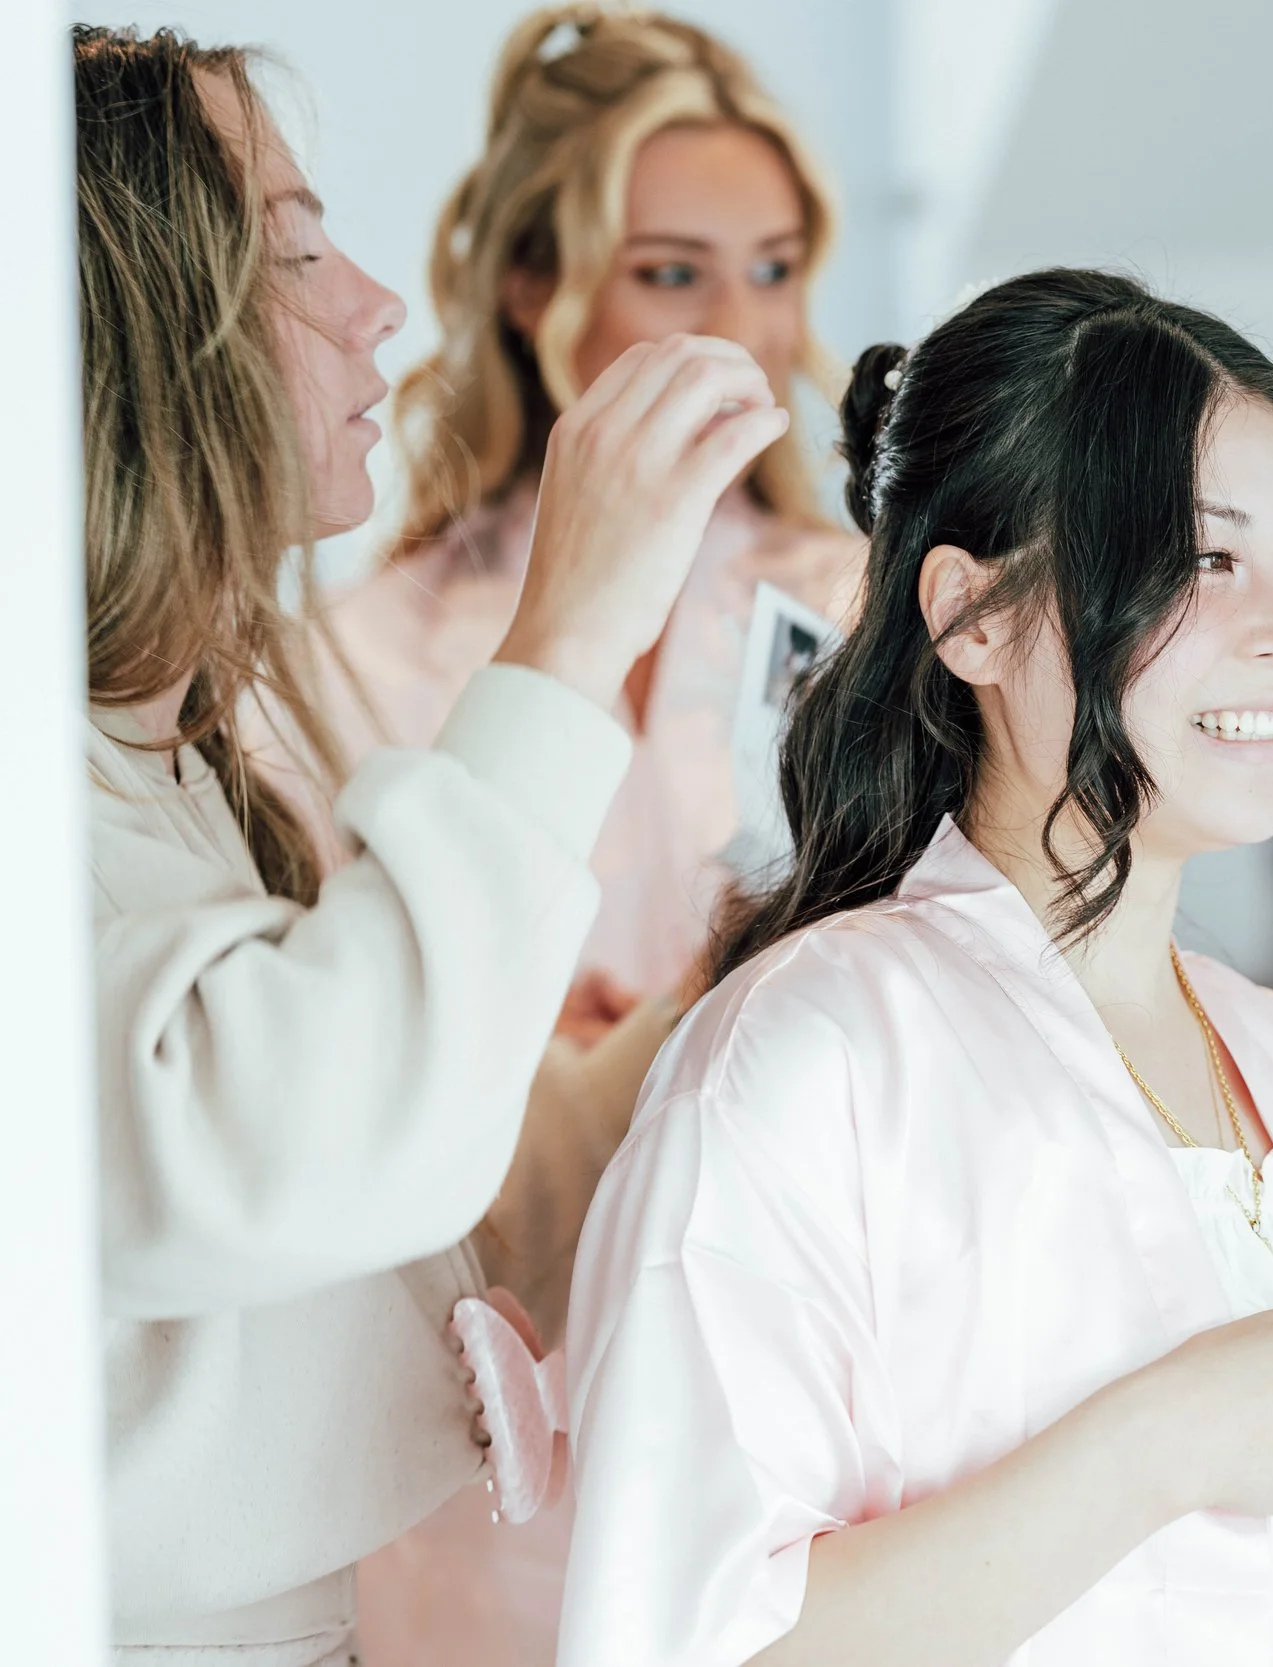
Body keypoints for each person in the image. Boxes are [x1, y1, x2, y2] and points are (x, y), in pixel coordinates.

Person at [557, 269, 1273, 1667]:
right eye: (1203, 559)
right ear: (971, 617)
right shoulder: (813, 1054)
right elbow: (689, 1644)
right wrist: (1168, 1438)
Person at [74, 25, 787, 1667]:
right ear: (127, 328)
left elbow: (449, 1188)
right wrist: (568, 636)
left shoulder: (174, 753)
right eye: (297, 249)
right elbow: (315, 1140)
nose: (372, 304)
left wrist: (759, 958)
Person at [278, 13, 866, 1661]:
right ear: (541, 286)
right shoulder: (366, 651)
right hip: (479, 1375)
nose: (741, 327)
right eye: (674, 274)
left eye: (773, 269)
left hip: (776, 1339)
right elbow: (346, 1031)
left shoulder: (868, 620)